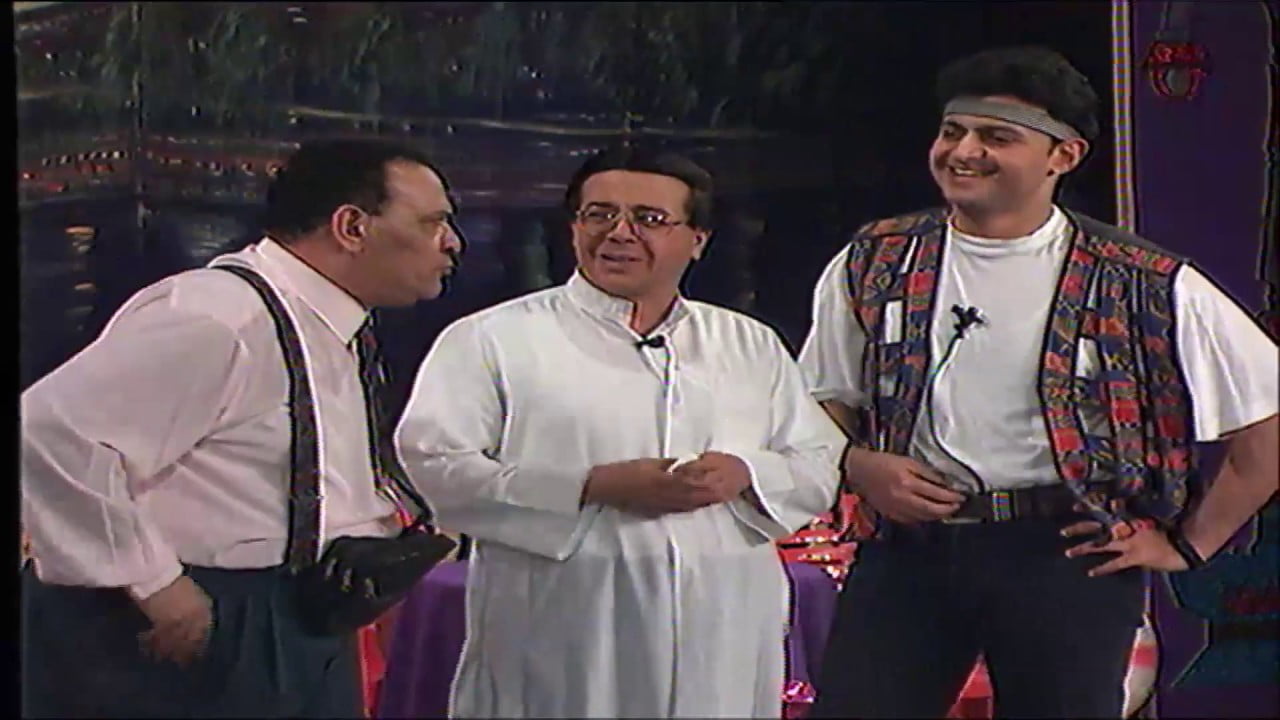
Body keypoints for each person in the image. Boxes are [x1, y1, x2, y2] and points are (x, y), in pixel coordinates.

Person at [800, 46, 1279, 718]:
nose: (964, 152)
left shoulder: (1143, 280)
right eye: (953, 131)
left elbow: (1266, 427)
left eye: (997, 137)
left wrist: (1185, 546)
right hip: (909, 549)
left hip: (1067, 553)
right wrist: (856, 464)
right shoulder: (875, 261)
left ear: (1064, 155)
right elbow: (822, 401)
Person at [395, 146, 844, 718]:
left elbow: (817, 460)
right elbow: (435, 463)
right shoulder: (492, 339)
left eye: (649, 219)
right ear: (573, 227)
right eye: (599, 214)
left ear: (698, 239)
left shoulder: (748, 343)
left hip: (721, 621)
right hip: (563, 624)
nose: (619, 233)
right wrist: (591, 486)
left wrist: (745, 473)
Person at [20, 138, 464, 718]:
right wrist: (155, 583)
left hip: (300, 614)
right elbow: (53, 429)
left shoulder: (328, 324)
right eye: (432, 223)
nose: (452, 243)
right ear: (352, 227)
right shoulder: (220, 317)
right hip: (191, 625)